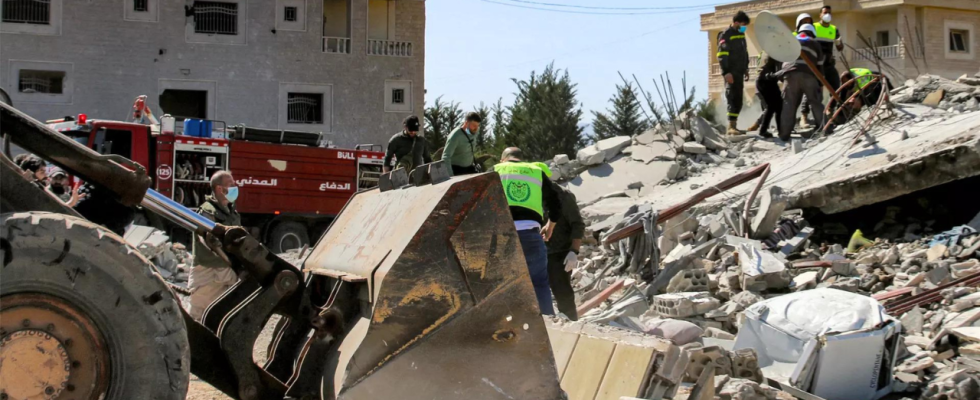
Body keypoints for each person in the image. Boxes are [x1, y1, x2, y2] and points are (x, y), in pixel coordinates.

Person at [494, 148, 563, 315]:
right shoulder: (536, 171)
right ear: (522, 159)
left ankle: (504, 327)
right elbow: (556, 203)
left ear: (504, 159)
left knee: (500, 285)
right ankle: (549, 324)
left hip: (503, 236)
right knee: (539, 283)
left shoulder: (496, 170)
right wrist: (550, 226)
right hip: (531, 235)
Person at [189, 170, 242, 321]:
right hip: (209, 272)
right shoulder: (207, 212)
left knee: (223, 317)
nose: (234, 187)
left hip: (227, 272)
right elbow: (207, 241)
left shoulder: (231, 213)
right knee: (199, 315)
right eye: (230, 185)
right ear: (219, 188)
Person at [539, 165, 584, 320]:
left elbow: (577, 224)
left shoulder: (563, 196)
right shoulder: (530, 196)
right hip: (538, 252)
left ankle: (571, 324)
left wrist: (574, 251)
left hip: (560, 253)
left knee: (563, 293)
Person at [777, 24, 825, 141]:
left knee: (788, 104)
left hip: (790, 73)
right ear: (812, 33)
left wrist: (782, 76)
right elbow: (820, 64)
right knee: (815, 102)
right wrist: (820, 81)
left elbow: (780, 59)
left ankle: (784, 134)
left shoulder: (791, 40)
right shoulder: (814, 43)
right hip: (809, 74)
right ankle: (825, 128)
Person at [801, 6, 845, 126]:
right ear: (820, 15)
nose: (828, 15)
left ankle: (829, 110)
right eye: (825, 13)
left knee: (836, 86)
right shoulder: (813, 27)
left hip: (828, 64)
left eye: (830, 13)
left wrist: (839, 43)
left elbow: (839, 47)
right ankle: (804, 116)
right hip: (815, 65)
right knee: (811, 90)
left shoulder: (834, 29)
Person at [717, 11, 751, 135]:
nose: (744, 27)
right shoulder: (726, 34)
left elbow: (744, 52)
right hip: (730, 72)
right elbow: (722, 54)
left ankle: (734, 126)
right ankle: (730, 127)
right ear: (736, 22)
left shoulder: (741, 35)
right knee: (731, 97)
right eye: (742, 24)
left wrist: (745, 68)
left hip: (739, 72)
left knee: (738, 99)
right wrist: (726, 72)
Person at [747, 52, 782, 138]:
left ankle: (780, 130)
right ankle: (763, 130)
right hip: (766, 80)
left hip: (763, 80)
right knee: (772, 106)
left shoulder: (765, 51)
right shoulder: (775, 53)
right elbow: (777, 72)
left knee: (777, 105)